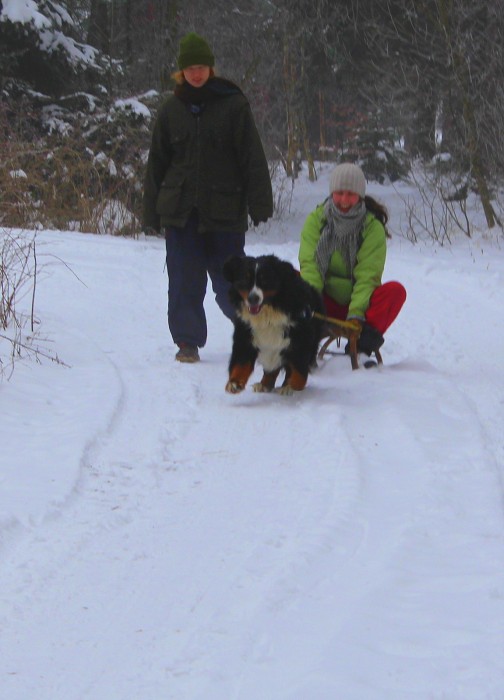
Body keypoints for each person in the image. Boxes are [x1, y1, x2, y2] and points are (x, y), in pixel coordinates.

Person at [143, 32, 273, 363]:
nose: (196, 73)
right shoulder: (171, 110)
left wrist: (260, 202)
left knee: (232, 281)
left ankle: (255, 332)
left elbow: (252, 157)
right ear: (181, 72)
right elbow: (157, 164)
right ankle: (187, 342)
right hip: (181, 212)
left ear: (211, 68)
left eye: (202, 67)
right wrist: (150, 213)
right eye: (190, 68)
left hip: (225, 211)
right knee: (184, 279)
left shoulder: (233, 105)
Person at [298, 162, 406, 357]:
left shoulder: (372, 227)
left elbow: (368, 275)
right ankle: (299, 338)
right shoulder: (316, 220)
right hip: (323, 302)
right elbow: (311, 266)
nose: (344, 200)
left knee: (395, 292)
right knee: (290, 280)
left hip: (360, 308)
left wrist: (356, 314)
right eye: (339, 193)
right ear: (332, 193)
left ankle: (362, 348)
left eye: (351, 194)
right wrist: (309, 303)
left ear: (360, 196)